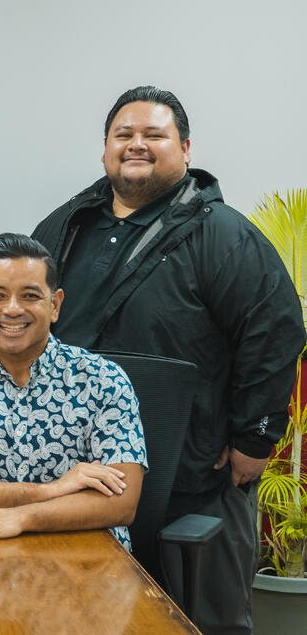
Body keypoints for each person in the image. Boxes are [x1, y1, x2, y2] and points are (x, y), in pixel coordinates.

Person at [32, 86, 305, 633]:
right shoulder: (64, 227)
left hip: (193, 470)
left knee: (204, 618)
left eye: (153, 135)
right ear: (104, 149)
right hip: (82, 470)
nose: (137, 145)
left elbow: (274, 331)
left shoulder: (222, 234)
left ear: (184, 148)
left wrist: (255, 438)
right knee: (86, 613)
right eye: (123, 135)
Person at [0, 233, 147, 546]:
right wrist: (50, 491)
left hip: (87, 558)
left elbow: (121, 503)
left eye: (29, 296)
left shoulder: (103, 380)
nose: (12, 309)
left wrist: (21, 518)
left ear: (55, 305)